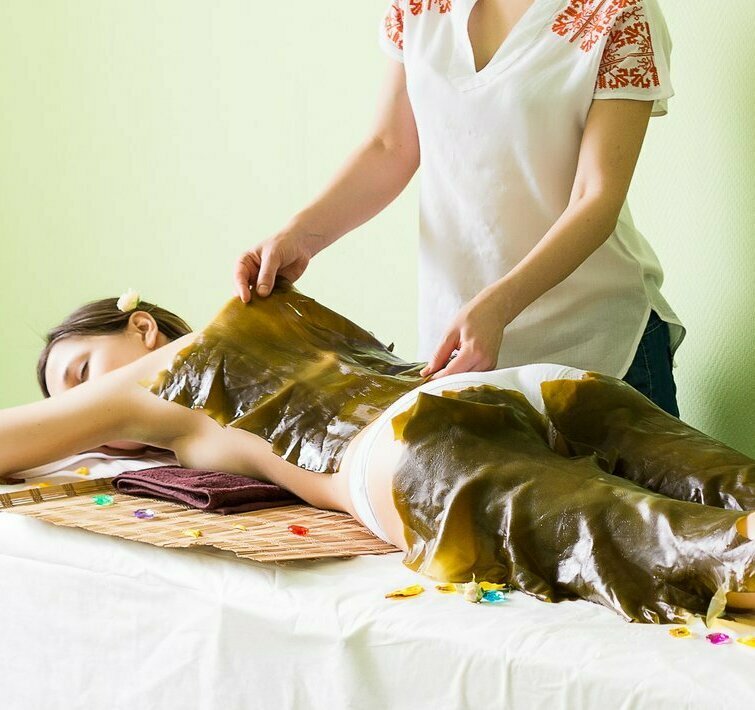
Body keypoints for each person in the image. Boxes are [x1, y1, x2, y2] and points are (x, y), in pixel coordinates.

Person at [0, 287, 752, 623]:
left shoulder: (156, 380)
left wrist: (72, 422)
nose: (85, 413)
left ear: (141, 327)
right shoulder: (271, 315)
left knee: (702, 555)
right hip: (541, 387)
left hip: (415, 449)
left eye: (79, 373)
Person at [233, 0, 685, 418]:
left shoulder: (619, 12)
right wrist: (299, 235)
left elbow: (595, 196)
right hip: (462, 354)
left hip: (597, 347)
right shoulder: (419, 8)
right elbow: (390, 147)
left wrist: (499, 305)